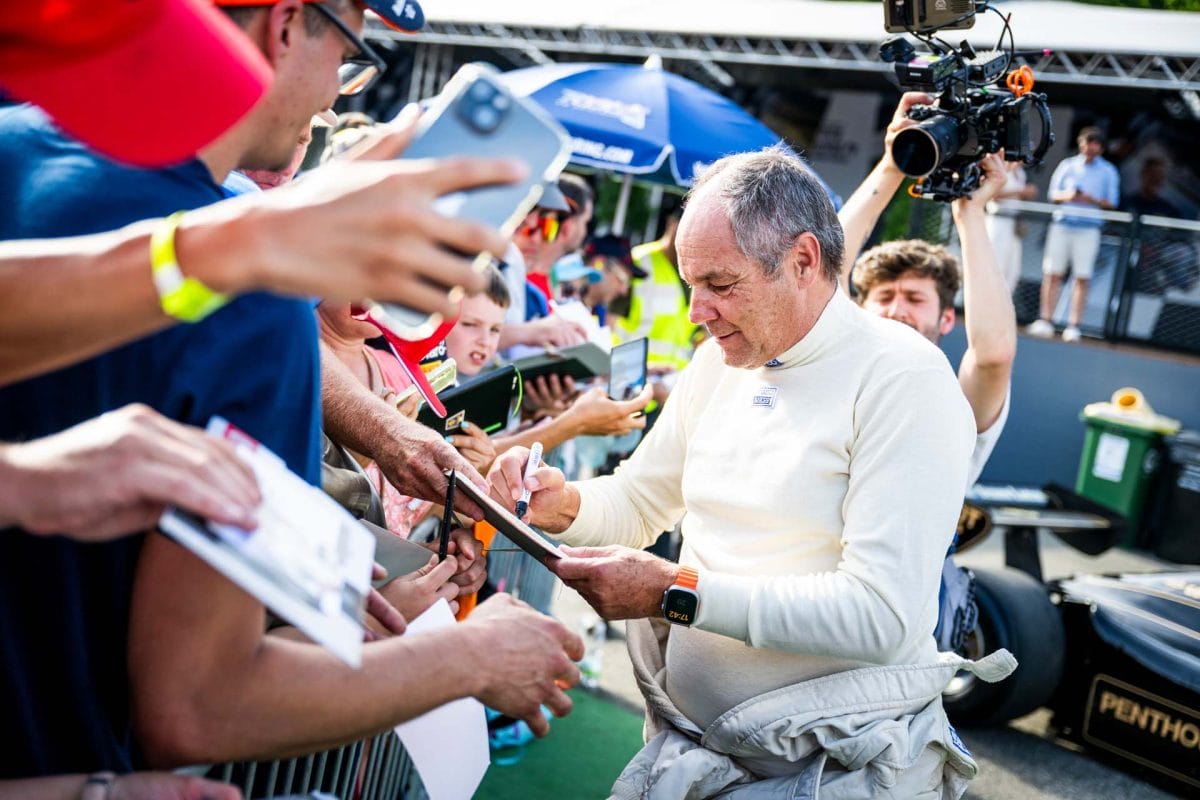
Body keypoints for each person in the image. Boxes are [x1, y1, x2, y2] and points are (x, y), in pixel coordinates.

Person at [0, 0, 580, 777]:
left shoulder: (13, 151)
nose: (337, 94)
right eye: (347, 55)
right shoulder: (257, 297)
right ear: (283, 25)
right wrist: (470, 658)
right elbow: (197, 705)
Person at [490, 147, 1004, 798]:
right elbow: (639, 500)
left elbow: (882, 616)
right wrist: (554, 499)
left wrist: (670, 591)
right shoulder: (718, 362)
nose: (698, 309)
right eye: (692, 283)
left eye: (721, 285)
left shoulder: (904, 380)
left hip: (828, 771)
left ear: (804, 261)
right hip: (691, 748)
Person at [1027, 126, 1120, 343]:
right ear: (1080, 144)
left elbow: (1112, 203)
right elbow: (1053, 194)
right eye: (1087, 142)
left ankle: (1073, 325)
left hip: (1089, 228)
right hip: (1063, 225)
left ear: (1101, 147)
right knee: (1052, 273)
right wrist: (1070, 196)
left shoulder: (1108, 171)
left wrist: (1091, 199)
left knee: (1082, 277)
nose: (1090, 147)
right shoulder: (1067, 166)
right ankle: (1046, 320)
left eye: (1095, 143)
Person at [985, 159, 1038, 292]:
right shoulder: (1000, 169)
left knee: (1012, 269)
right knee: (996, 262)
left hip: (1013, 222)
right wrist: (1021, 191)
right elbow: (993, 195)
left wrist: (1027, 194)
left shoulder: (1021, 173)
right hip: (998, 220)